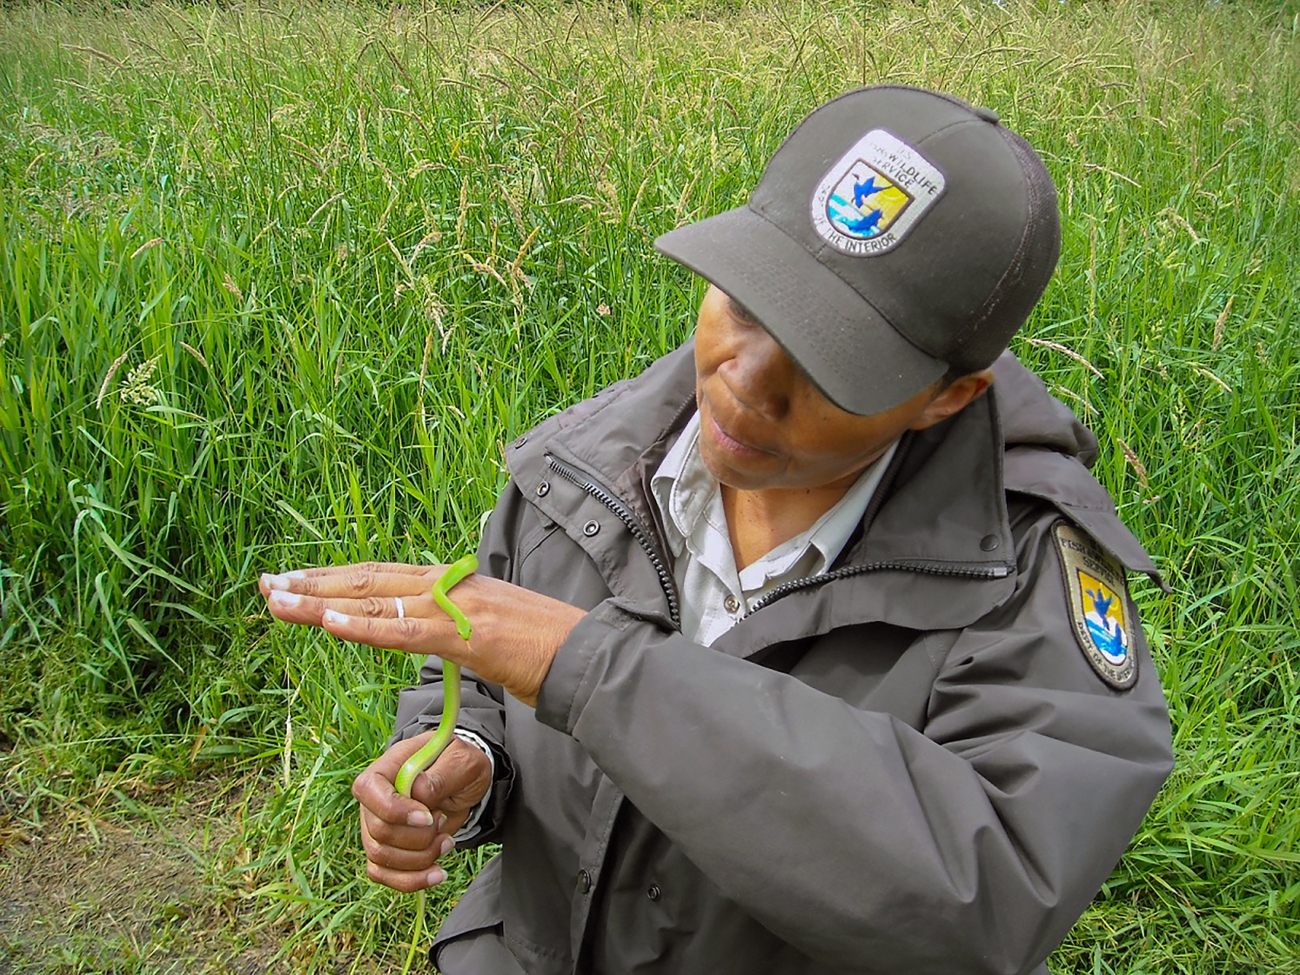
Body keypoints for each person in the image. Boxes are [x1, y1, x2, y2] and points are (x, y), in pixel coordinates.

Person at [262, 86, 1174, 974]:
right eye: (745, 302)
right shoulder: (591, 458)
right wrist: (466, 755)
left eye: (830, 362)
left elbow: (987, 900)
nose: (744, 382)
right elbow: (481, 666)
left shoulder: (1024, 581)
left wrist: (594, 670)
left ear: (948, 396)